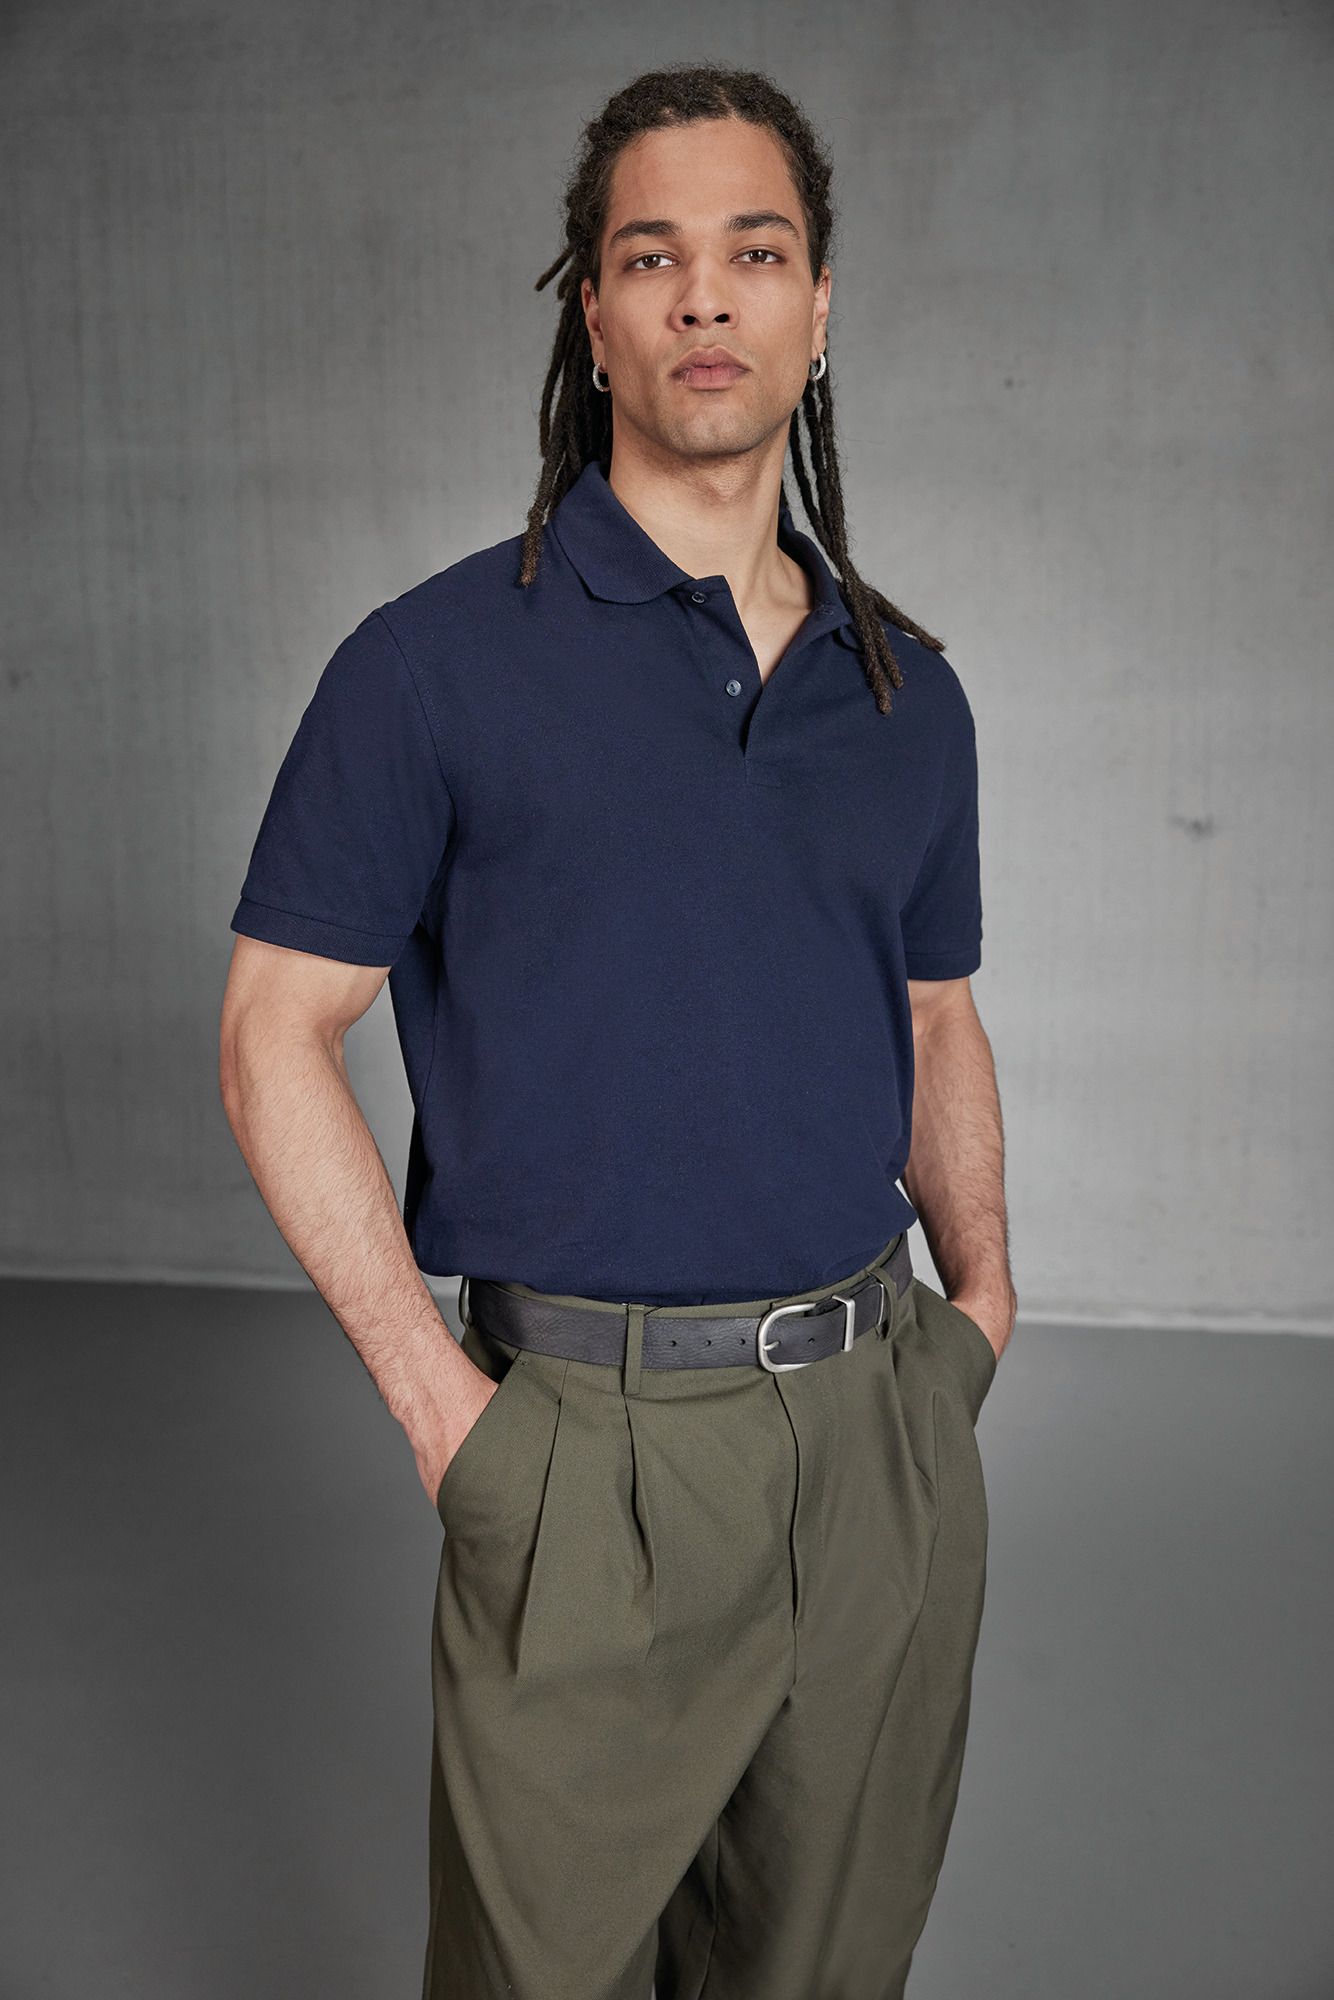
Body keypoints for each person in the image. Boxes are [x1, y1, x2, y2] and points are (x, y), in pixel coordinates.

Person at [219, 60, 1016, 2000]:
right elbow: (269, 1032)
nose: (704, 295)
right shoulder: (431, 667)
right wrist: (447, 1417)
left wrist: (979, 1310)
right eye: (650, 257)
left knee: (823, 1974)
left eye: (755, 251)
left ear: (817, 310)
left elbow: (934, 1012)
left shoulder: (905, 694)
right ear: (592, 315)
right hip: (584, 1457)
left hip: (876, 1443)